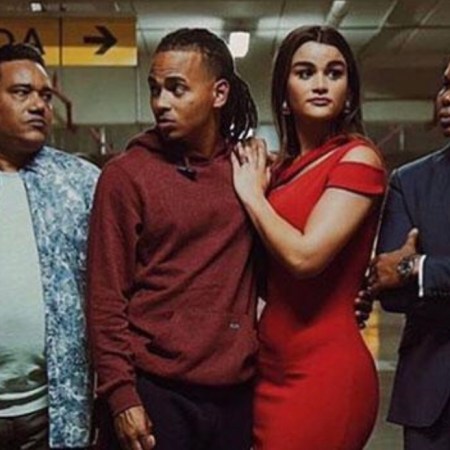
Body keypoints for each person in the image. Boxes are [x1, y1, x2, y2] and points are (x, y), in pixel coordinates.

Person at [87, 28, 258, 450]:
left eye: (177, 89)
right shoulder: (125, 176)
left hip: (234, 397)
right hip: (154, 392)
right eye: (155, 89)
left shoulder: (247, 171)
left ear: (219, 93)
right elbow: (105, 297)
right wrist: (120, 395)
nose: (161, 102)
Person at [231, 25, 386, 449]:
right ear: (284, 93)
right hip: (269, 369)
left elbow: (305, 258)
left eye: (334, 73)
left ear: (349, 92)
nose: (320, 84)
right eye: (305, 73)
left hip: (325, 373)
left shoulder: (358, 158)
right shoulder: (279, 172)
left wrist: (252, 196)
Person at [0, 43, 99, 449]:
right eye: (21, 93)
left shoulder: (81, 184)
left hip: (54, 411)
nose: (39, 105)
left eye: (45, 96)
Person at [368, 60, 450, 450]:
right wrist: (408, 275)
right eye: (445, 86)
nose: (446, 98)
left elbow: (401, 273)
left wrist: (418, 268)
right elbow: (390, 289)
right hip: (431, 401)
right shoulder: (410, 182)